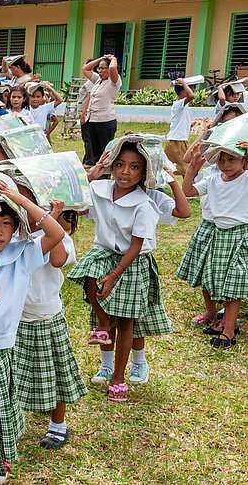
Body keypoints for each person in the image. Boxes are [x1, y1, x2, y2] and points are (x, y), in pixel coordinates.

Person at [0, 180, 64, 481]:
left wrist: (18, 199)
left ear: (16, 227)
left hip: (0, 351)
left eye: (6, 223)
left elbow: (56, 234)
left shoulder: (23, 255)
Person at [67, 142, 172, 402]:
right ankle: (102, 324)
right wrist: (90, 175)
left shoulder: (144, 204)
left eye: (134, 167)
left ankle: (118, 376)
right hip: (104, 252)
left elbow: (136, 246)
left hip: (131, 261)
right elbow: (76, 206)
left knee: (126, 322)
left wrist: (115, 276)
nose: (125, 172)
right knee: (88, 270)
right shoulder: (98, 189)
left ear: (143, 173)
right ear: (111, 166)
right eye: (120, 165)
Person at [13, 191, 86, 450]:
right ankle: (12, 422)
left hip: (46, 316)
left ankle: (58, 425)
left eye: (32, 206)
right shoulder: (9, 238)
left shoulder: (59, 237)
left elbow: (57, 261)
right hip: (13, 320)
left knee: (54, 375)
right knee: (13, 376)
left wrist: (49, 223)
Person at [182, 142, 248, 348]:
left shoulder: (246, 179)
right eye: (221, 159)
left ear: (243, 160)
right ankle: (227, 325)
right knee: (218, 281)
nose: (225, 164)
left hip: (240, 234)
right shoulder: (212, 180)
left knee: (232, 285)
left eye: (231, 159)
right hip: (220, 234)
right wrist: (193, 166)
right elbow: (188, 191)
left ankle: (229, 331)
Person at [81, 55, 121, 166]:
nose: (100, 70)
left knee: (105, 151)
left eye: (103, 68)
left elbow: (113, 69)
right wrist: (101, 59)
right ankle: (97, 173)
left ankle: (105, 174)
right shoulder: (98, 80)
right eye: (99, 68)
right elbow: (85, 69)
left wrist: (113, 59)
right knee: (95, 152)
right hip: (93, 120)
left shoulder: (114, 81)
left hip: (106, 121)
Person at [164, 78, 195, 176]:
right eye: (191, 89)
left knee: (182, 168)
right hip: (176, 141)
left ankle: (186, 189)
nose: (193, 91)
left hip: (180, 140)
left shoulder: (184, 105)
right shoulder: (178, 104)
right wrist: (183, 83)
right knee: (183, 168)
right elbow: (191, 96)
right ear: (184, 92)